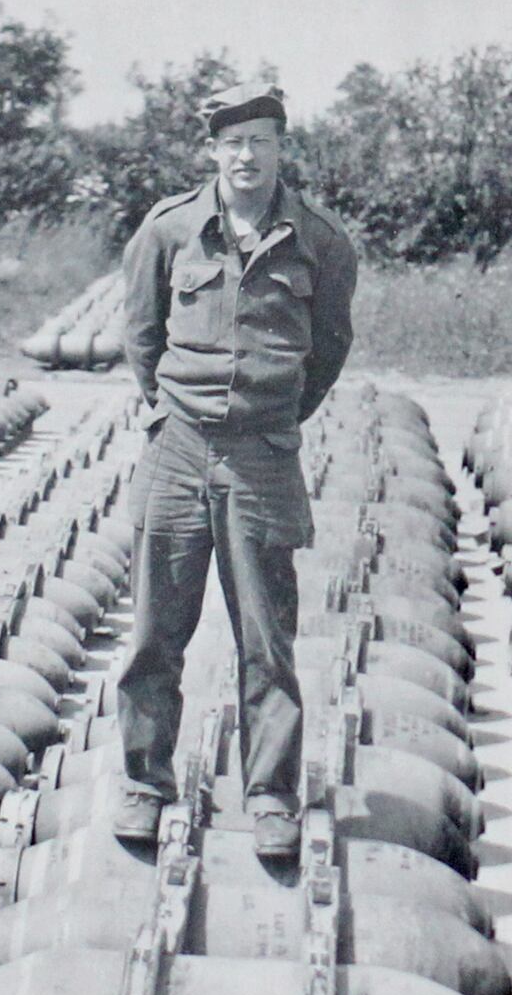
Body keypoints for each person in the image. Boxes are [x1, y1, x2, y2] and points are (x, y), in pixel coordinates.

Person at [114, 81, 362, 852]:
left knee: (267, 640)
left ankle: (270, 797)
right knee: (157, 632)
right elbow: (142, 335)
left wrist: (274, 415)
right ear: (212, 150)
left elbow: (328, 351)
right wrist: (170, 411)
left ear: (282, 147)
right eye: (232, 142)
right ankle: (143, 785)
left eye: (260, 139)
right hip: (180, 448)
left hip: (262, 457)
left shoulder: (321, 241)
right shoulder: (168, 231)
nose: (246, 155)